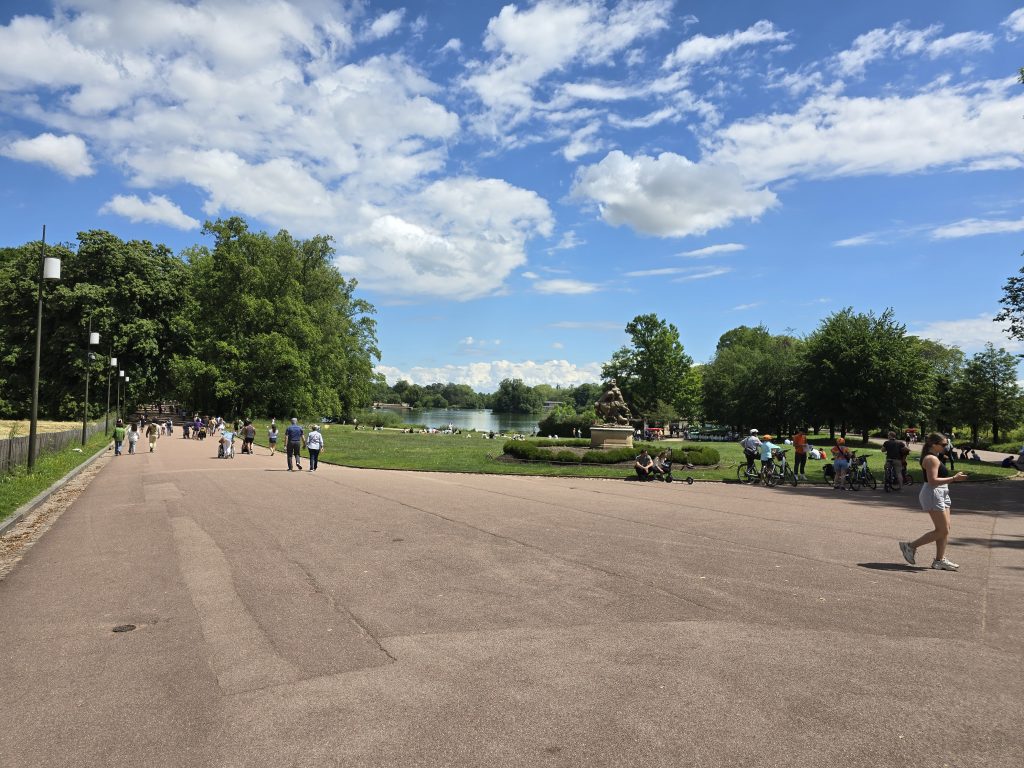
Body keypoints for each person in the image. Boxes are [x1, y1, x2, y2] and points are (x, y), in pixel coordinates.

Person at [899, 432, 968, 571]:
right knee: (942, 530)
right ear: (933, 445)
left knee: (945, 530)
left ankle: (939, 560)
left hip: (941, 491)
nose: (946, 446)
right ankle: (910, 546)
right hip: (933, 492)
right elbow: (932, 480)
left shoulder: (935, 457)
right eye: (943, 444)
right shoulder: (931, 459)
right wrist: (954, 479)